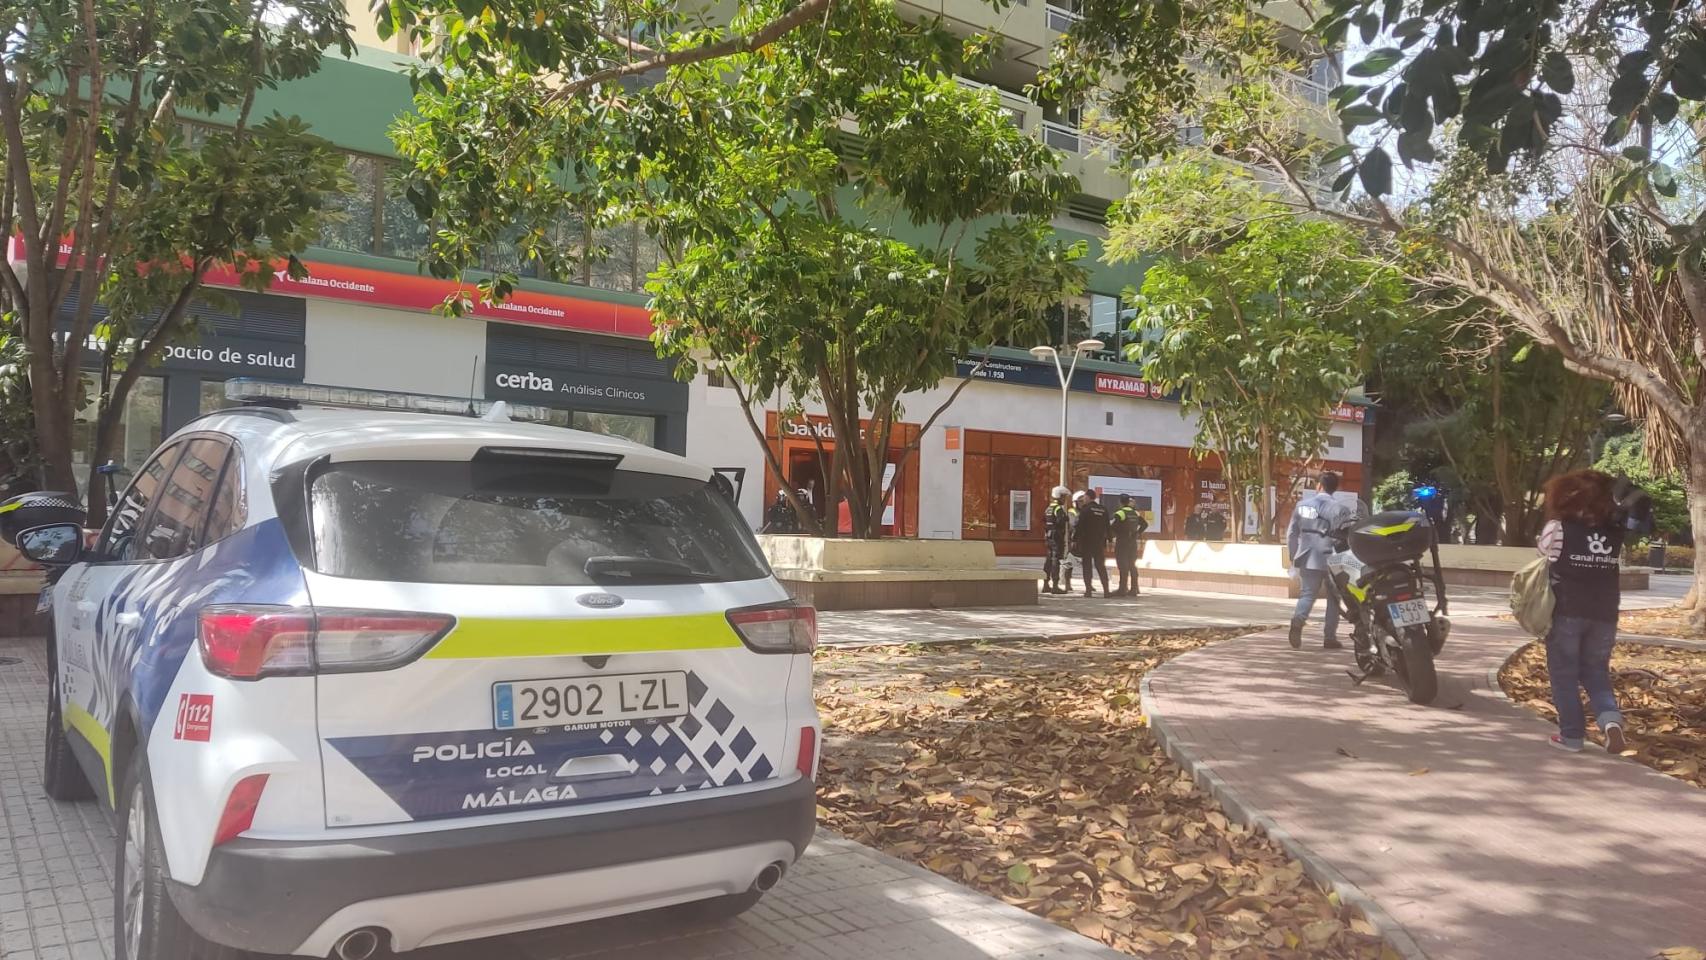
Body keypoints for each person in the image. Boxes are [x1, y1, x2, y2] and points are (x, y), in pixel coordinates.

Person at [1535, 469, 1645, 753]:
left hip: (1566, 611)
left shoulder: (1558, 527)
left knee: (1564, 674)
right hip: (1605, 613)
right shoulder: (1615, 532)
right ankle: (1611, 722)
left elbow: (1543, 556)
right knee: (1596, 671)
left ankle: (1571, 736)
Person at [1286, 472, 1353, 651]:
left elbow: (1292, 533)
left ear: (1319, 486)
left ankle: (1298, 621)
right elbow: (1346, 538)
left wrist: (1293, 556)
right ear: (1336, 488)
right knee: (1334, 599)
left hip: (1308, 556)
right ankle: (1329, 638)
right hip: (1334, 559)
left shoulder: (1302, 506)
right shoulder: (1341, 509)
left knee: (1308, 594)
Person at [1073, 489, 1111, 598]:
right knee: (1100, 566)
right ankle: (1106, 591)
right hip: (1099, 542)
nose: (1083, 499)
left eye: (1084, 497)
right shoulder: (1103, 509)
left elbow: (1079, 526)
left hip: (1087, 542)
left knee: (1087, 566)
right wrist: (1109, 539)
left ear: (1088, 497)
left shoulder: (1085, 510)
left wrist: (1075, 539)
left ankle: (1088, 591)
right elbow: (1108, 526)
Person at [1111, 494, 1150, 596]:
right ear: (1128, 502)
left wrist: (1113, 535)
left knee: (1122, 565)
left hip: (1122, 542)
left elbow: (1113, 527)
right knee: (1132, 565)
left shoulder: (1120, 513)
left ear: (1120, 502)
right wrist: (1137, 533)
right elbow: (1145, 524)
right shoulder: (1135, 513)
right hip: (1132, 542)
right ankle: (1134, 589)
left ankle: (1122, 589)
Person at [1042, 486, 1073, 595]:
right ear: (1059, 497)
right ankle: (1055, 585)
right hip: (1056, 537)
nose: (1064, 500)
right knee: (1055, 560)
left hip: (1049, 537)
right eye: (1064, 497)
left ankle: (1046, 584)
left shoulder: (1049, 508)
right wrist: (1066, 518)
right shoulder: (1058, 509)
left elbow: (1044, 521)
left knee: (1048, 560)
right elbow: (1060, 522)